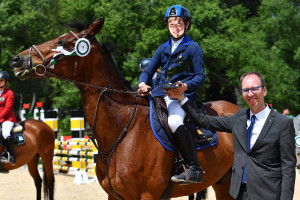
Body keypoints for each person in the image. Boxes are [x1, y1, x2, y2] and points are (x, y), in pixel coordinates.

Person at [165, 72, 296, 200]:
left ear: (264, 90)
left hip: (268, 193)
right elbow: (203, 120)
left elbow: (288, 168)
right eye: (246, 90)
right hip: (239, 193)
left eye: (254, 89)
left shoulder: (283, 123)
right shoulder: (238, 118)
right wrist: (182, 97)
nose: (250, 94)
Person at [137, 5, 206, 183]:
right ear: (167, 26)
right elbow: (148, 70)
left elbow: (200, 76)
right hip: (160, 94)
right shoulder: (162, 48)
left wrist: (186, 86)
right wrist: (142, 83)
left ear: (187, 25)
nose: (175, 27)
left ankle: (194, 168)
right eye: (171, 23)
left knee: (174, 121)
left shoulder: (193, 47)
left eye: (179, 23)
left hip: (180, 96)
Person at [0, 71, 17, 165]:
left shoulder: (9, 93)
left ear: (6, 82)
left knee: (5, 133)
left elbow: (7, 108)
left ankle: (11, 155)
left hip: (8, 118)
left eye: (1, 80)